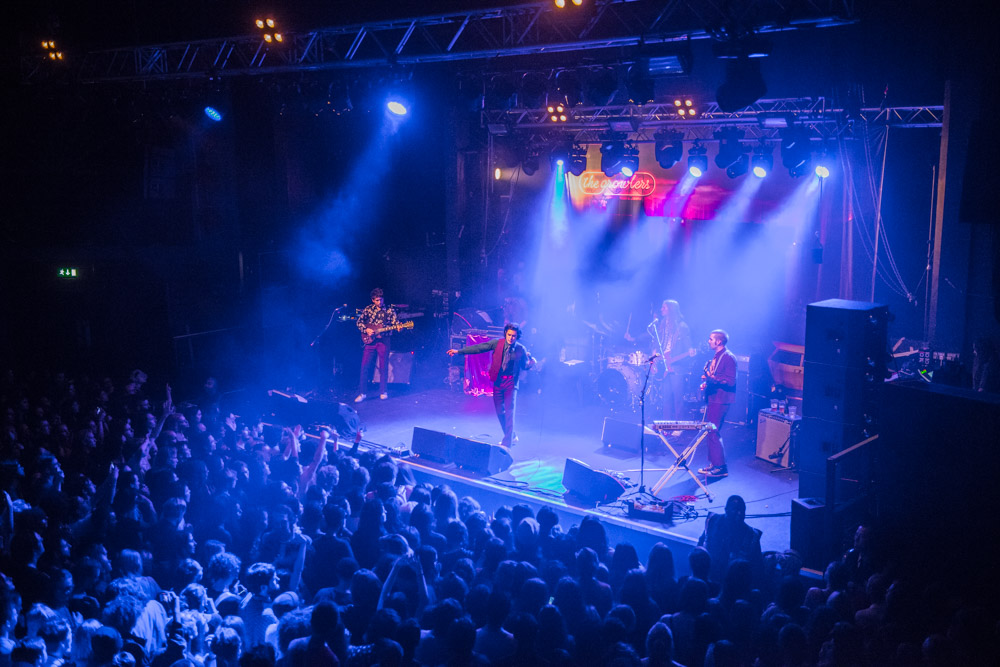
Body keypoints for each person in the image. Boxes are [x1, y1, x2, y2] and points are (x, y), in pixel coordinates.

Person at [447, 323, 537, 448]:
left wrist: (532, 363)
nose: (511, 338)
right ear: (505, 333)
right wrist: (459, 351)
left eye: (514, 336)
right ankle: (512, 435)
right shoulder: (497, 344)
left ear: (517, 337)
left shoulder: (520, 349)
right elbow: (479, 348)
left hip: (511, 383)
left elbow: (524, 366)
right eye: (509, 335)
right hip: (499, 382)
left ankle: (507, 443)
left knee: (510, 412)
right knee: (500, 411)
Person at [698, 329, 737, 478]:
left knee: (713, 431)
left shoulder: (728, 357)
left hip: (721, 400)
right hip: (714, 398)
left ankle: (720, 467)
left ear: (718, 341)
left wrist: (712, 379)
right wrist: (707, 382)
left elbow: (730, 381)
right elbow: (716, 377)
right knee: (710, 431)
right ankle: (714, 464)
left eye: (710, 339)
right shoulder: (717, 356)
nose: (708, 341)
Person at [356, 288, 399, 403]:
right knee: (365, 366)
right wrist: (367, 329)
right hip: (370, 340)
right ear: (373, 300)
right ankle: (363, 393)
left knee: (383, 366)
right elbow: (359, 322)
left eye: (381, 300)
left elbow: (395, 322)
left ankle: (383, 391)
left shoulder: (389, 310)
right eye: (377, 300)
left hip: (384, 341)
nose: (379, 302)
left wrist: (399, 326)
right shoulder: (368, 309)